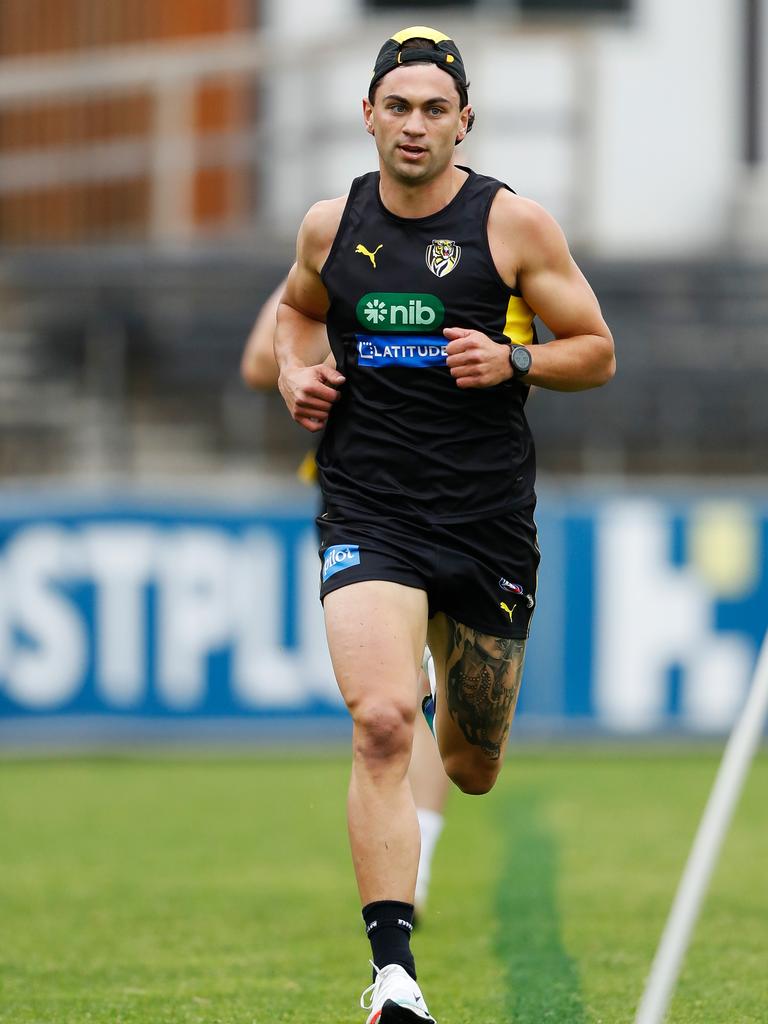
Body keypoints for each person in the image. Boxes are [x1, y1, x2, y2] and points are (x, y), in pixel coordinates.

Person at [274, 25, 615, 1024]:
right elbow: (298, 312)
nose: (415, 124)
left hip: (486, 525)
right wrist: (299, 373)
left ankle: (436, 705)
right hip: (369, 510)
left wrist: (515, 361)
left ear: (465, 120)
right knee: (381, 721)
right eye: (398, 105)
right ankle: (394, 978)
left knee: (469, 765)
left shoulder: (514, 226)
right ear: (368, 115)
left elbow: (595, 350)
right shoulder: (328, 226)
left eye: (435, 108)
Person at [241, 282, 452, 922]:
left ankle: (417, 855)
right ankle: (412, 867)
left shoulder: (467, 255)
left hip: (454, 493)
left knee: (434, 689)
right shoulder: (335, 262)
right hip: (362, 500)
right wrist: (305, 290)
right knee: (402, 694)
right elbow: (260, 365)